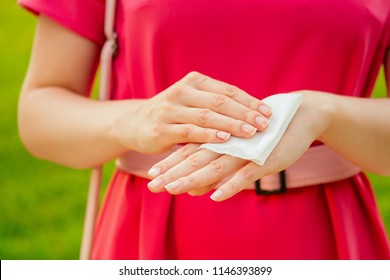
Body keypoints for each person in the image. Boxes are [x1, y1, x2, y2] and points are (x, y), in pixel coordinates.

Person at [18, 0, 390, 259]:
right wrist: (134, 119)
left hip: (323, 239)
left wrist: (326, 113)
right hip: (153, 234)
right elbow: (39, 114)